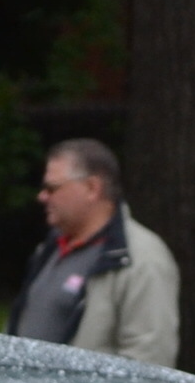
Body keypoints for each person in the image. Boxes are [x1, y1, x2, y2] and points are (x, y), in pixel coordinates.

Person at [10, 138, 179, 367]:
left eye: (52, 188)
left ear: (92, 188)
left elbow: (150, 359)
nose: (42, 197)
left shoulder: (142, 259)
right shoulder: (49, 249)